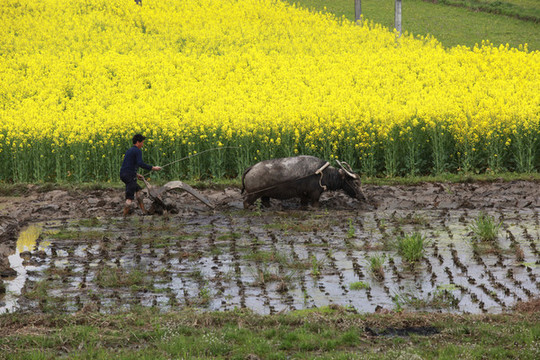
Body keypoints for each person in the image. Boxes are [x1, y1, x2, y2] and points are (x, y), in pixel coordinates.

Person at [120, 134, 162, 216]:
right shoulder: (137, 151)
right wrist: (153, 168)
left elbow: (128, 165)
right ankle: (123, 218)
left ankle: (143, 211)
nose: (142, 145)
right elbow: (140, 163)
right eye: (142, 143)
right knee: (129, 199)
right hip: (129, 176)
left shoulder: (129, 150)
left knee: (138, 191)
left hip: (124, 174)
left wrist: (136, 174)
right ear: (138, 142)